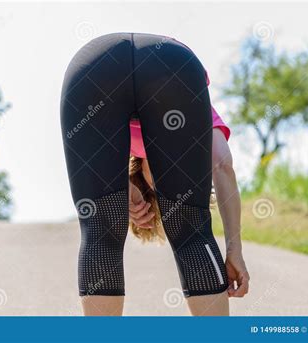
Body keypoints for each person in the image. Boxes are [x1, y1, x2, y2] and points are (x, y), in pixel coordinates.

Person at [60, 32, 249, 316]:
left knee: (102, 227)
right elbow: (222, 163)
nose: (163, 185)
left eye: (155, 191)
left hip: (94, 65)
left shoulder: (138, 153)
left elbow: (89, 154)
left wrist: (118, 185)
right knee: (189, 228)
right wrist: (234, 248)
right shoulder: (194, 118)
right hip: (172, 65)